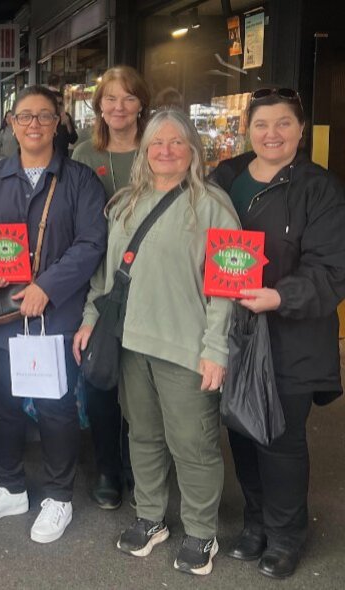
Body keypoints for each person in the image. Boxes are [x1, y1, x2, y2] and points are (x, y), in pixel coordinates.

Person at [74, 109, 239, 575]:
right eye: (156, 144)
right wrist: (90, 319)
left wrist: (216, 348)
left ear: (193, 151)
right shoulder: (127, 202)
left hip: (187, 347)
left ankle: (201, 532)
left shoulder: (214, 206)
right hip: (130, 342)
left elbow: (227, 287)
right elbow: (106, 276)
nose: (165, 151)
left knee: (193, 442)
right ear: (145, 152)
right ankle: (150, 518)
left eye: (176, 143)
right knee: (143, 437)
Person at [0, 85, 107, 544]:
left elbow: (91, 243)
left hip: (51, 318)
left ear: (58, 121)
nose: (34, 124)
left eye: (44, 116)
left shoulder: (80, 180)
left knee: (55, 407)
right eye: (25, 117)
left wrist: (49, 286)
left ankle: (58, 496)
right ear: (11, 124)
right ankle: (8, 484)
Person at [210, 88, 345, 579]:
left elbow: (332, 270)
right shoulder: (224, 177)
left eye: (284, 124)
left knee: (281, 438)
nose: (272, 134)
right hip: (236, 333)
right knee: (242, 430)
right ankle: (256, 522)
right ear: (248, 129)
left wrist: (279, 297)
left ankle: (286, 535)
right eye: (262, 124)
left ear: (300, 129)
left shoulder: (319, 188)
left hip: (292, 337)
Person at [71, 65, 151, 511]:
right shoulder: (85, 153)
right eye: (110, 98)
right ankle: (106, 468)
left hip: (149, 279)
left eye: (128, 98)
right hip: (100, 279)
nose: (119, 107)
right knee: (101, 376)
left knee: (142, 381)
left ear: (142, 103)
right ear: (99, 105)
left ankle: (139, 468)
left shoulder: (158, 149)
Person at [49, 90, 78, 157]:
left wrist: (68, 124)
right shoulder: (44, 118)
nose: (58, 106)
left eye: (60, 103)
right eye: (55, 103)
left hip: (63, 158)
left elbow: (73, 140)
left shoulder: (65, 116)